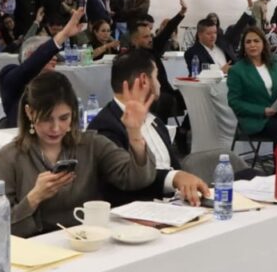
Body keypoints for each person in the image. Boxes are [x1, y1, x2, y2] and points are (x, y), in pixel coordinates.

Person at [0, 71, 155, 237]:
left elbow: (137, 179)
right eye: (47, 119)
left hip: (90, 240)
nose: (55, 128)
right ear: (29, 113)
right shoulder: (10, 157)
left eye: (64, 118)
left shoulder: (91, 144)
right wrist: (34, 197)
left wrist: (134, 133)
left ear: (74, 113)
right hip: (35, 245)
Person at [89, 50, 210, 206]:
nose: (159, 84)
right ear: (144, 80)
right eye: (156, 77)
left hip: (177, 206)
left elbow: (174, 168)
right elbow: (126, 180)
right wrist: (174, 177)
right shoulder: (106, 127)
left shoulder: (155, 121)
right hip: (136, 211)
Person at [0, 7, 86, 127]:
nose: (55, 59)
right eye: (50, 55)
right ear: (30, 55)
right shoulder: (9, 75)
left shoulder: (55, 80)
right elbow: (30, 66)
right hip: (19, 134)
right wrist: (64, 34)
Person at [227, 26, 277, 144]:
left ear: (263, 44)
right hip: (254, 118)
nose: (252, 45)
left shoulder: (273, 62)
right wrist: (262, 110)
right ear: (243, 46)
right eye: (248, 42)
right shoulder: (237, 70)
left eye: (256, 41)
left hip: (276, 112)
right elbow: (234, 102)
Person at [131, 0, 187, 122]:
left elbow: (167, 30)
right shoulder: (131, 58)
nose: (150, 39)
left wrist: (182, 12)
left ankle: (184, 129)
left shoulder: (153, 47)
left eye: (150, 36)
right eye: (146, 37)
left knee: (192, 96)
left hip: (165, 91)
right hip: (149, 96)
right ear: (135, 40)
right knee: (164, 101)